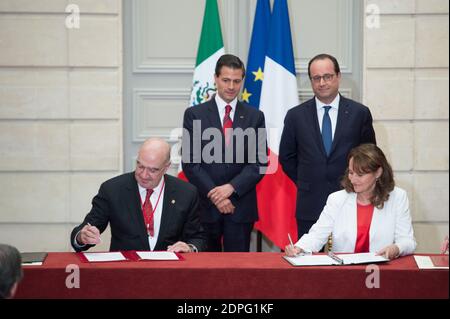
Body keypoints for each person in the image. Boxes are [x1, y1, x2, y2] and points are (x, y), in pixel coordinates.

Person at [279, 53, 376, 240]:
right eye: (316, 78)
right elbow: (286, 157)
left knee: (348, 262)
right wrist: (306, 180)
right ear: (311, 81)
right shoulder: (295, 116)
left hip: (350, 199)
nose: (322, 82)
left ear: (338, 76)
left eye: (328, 76)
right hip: (310, 203)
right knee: (310, 263)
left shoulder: (359, 113)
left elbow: (369, 157)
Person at [181, 54, 267, 252]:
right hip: (205, 207)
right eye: (226, 80)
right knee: (205, 271)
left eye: (237, 81)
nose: (231, 86)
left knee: (238, 273)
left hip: (240, 206)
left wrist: (231, 188)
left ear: (242, 81)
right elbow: (191, 163)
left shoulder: (255, 117)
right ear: (215, 78)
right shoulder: (194, 114)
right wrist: (217, 196)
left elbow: (259, 163)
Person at [70, 138, 207, 253]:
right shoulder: (112, 189)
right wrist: (82, 237)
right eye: (140, 166)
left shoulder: (186, 193)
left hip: (170, 274)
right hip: (125, 273)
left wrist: (189, 248)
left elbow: (198, 237)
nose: (143, 175)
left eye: (152, 170)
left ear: (166, 167)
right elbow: (86, 228)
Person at [285, 144, 416, 259]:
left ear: (378, 172)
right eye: (351, 173)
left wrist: (397, 248)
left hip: (381, 271)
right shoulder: (336, 199)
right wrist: (298, 248)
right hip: (344, 272)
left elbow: (408, 241)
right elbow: (317, 234)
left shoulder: (398, 197)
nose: (353, 179)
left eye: (360, 175)